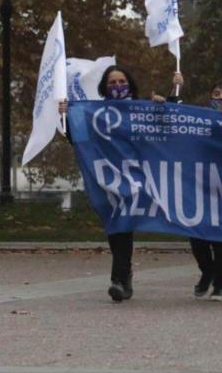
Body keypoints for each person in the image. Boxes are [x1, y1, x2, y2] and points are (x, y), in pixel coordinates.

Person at [59, 65, 154, 302]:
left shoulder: (141, 109)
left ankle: (119, 280)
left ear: (130, 83)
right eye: (112, 83)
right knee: (115, 228)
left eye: (121, 81)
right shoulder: (96, 113)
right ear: (104, 87)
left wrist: (171, 97)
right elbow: (79, 140)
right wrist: (65, 116)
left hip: (135, 178)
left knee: (123, 226)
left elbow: (166, 131)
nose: (117, 86)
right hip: (107, 179)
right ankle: (124, 276)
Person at [187, 80, 222, 301]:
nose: (220, 96)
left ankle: (220, 284)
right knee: (195, 233)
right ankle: (207, 271)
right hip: (200, 182)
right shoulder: (199, 119)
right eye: (216, 92)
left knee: (220, 236)